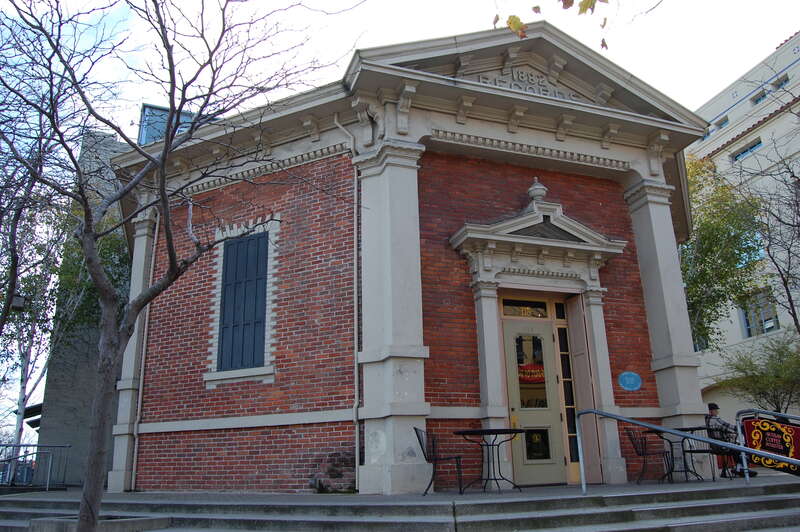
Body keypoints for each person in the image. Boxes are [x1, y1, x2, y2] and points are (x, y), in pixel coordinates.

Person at [705, 403, 757, 477]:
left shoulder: (705, 419)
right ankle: (741, 468)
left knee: (737, 446)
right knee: (741, 447)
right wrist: (740, 428)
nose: (717, 412)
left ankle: (739, 468)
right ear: (710, 411)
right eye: (716, 410)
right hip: (722, 445)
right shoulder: (715, 420)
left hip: (714, 445)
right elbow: (727, 427)